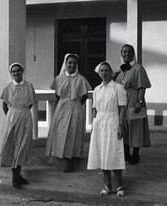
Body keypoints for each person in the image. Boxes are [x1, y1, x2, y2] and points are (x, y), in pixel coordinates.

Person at [46, 53, 92, 173]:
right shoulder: (59, 78)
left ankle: (71, 160)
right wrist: (64, 102)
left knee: (73, 132)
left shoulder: (81, 79)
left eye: (74, 63)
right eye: (69, 63)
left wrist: (75, 104)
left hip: (75, 107)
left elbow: (85, 96)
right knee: (60, 132)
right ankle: (58, 157)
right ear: (65, 64)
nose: (72, 65)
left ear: (77, 65)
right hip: (62, 108)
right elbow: (57, 94)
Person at [87, 61, 126, 197]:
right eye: (101, 71)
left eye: (106, 71)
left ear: (112, 72)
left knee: (114, 153)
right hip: (100, 123)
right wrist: (94, 124)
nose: (104, 73)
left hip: (113, 122)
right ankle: (107, 185)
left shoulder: (118, 88)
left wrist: (120, 125)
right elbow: (94, 108)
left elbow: (122, 109)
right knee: (102, 154)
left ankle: (120, 185)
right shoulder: (97, 89)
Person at [0, 62, 36, 188]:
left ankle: (17, 175)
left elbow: (30, 104)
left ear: (22, 71)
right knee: (14, 145)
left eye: (18, 71)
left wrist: (22, 112)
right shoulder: (8, 87)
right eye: (13, 71)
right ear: (11, 73)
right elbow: (4, 105)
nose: (16, 73)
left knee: (23, 145)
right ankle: (15, 177)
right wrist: (11, 116)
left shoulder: (29, 86)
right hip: (12, 117)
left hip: (25, 116)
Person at [115, 44, 151, 164]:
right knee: (123, 125)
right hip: (122, 101)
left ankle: (135, 154)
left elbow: (142, 87)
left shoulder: (138, 68)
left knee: (136, 126)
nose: (127, 54)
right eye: (124, 52)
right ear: (121, 53)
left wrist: (139, 102)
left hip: (134, 99)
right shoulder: (121, 70)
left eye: (129, 52)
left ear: (133, 53)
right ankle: (126, 153)